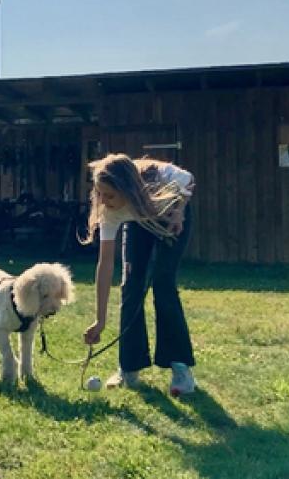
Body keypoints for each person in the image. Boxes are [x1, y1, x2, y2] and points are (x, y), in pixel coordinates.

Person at [81, 153, 197, 395]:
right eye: (99, 194)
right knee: (131, 285)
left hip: (167, 211)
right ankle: (129, 367)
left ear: (126, 189)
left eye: (109, 195)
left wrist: (179, 211)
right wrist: (100, 320)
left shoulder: (158, 180)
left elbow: (188, 178)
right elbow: (105, 265)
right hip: (136, 220)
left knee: (163, 284)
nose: (103, 200)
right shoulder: (109, 210)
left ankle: (180, 368)